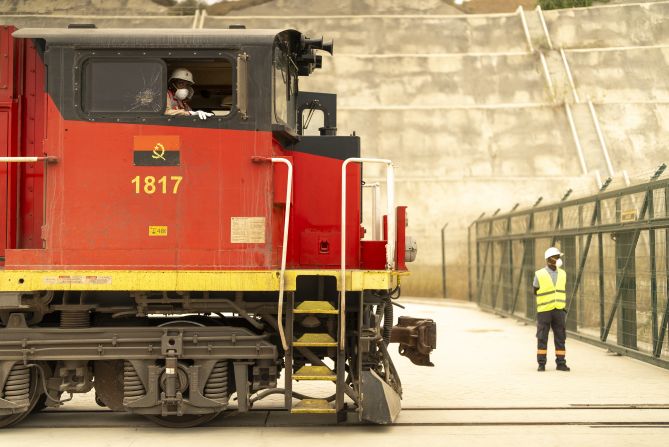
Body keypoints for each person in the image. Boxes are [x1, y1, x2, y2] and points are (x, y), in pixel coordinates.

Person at [533, 247, 570, 372]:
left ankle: (561, 363)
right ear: (550, 259)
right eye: (557, 257)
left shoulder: (563, 273)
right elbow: (535, 290)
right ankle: (541, 363)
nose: (559, 260)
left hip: (559, 309)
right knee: (542, 337)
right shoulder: (540, 274)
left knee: (560, 337)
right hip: (544, 310)